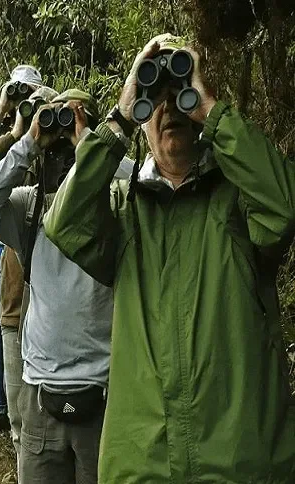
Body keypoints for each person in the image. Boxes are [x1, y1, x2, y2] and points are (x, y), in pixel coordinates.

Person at [44, 34, 295, 483]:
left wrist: (212, 109)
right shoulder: (124, 209)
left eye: (180, 95)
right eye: (154, 99)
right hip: (144, 465)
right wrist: (117, 120)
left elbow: (284, 207)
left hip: (239, 465)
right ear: (141, 120)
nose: (171, 109)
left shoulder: (238, 200)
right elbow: (64, 224)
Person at [0, 89, 131, 484]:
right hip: (41, 391)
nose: (62, 151)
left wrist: (92, 147)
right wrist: (28, 142)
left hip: (105, 389)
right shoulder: (31, 205)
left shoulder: (117, 199)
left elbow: (143, 177)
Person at [0, 86, 58, 451]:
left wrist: (87, 138)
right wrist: (19, 135)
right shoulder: (22, 154)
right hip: (17, 296)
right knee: (21, 412)